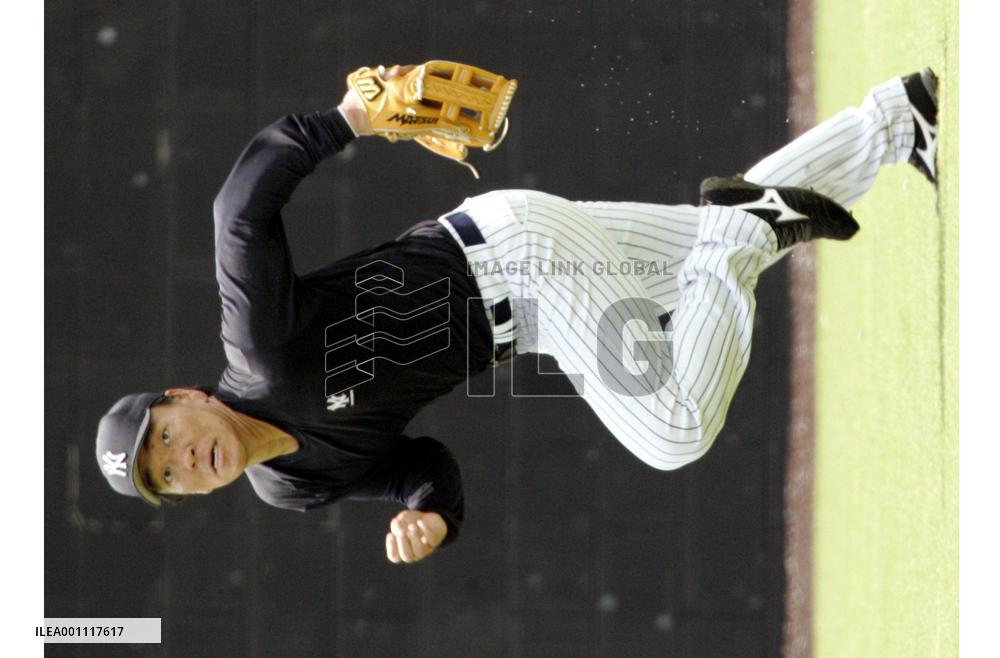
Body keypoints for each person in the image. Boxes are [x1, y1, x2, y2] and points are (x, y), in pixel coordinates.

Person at [95, 65, 938, 564]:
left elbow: (236, 213)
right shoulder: (291, 485)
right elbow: (421, 462)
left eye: (163, 435)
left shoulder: (257, 347)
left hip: (515, 258)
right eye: (166, 478)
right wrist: (432, 514)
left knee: (675, 427)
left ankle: (748, 221)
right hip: (530, 303)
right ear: (190, 495)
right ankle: (901, 118)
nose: (182, 461)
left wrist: (350, 117)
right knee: (705, 258)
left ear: (183, 395)